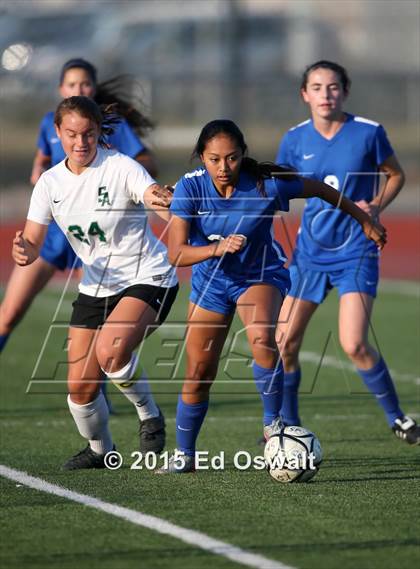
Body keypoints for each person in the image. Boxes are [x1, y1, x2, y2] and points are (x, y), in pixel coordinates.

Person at [156, 119, 386, 473]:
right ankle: (185, 455)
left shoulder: (266, 185)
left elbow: (321, 189)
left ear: (242, 155)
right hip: (211, 282)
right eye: (214, 159)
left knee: (263, 337)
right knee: (200, 370)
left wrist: (363, 220)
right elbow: (177, 253)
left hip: (260, 275)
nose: (223, 167)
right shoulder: (190, 189)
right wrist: (217, 250)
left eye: (231, 158)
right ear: (201, 157)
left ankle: (272, 424)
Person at [12, 96, 178, 469]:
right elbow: (33, 242)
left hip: (148, 276)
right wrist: (24, 251)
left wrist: (165, 199)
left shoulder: (121, 167)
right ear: (58, 133)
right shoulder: (50, 184)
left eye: (88, 133)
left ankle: (149, 415)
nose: (80, 142)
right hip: (97, 286)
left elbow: (153, 196)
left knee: (110, 351)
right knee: (80, 390)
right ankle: (101, 450)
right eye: (71, 134)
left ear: (100, 132)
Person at [275, 60, 419, 445]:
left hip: (356, 250)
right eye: (317, 87)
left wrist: (376, 206)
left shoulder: (369, 133)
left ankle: (398, 418)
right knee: (283, 342)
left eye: (334, 86)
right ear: (305, 94)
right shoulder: (293, 140)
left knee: (353, 344)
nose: (326, 94)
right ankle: (288, 426)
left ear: (345, 91)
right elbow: (280, 193)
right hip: (309, 254)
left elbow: (397, 175)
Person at [0, 58, 157, 360]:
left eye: (85, 83)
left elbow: (147, 165)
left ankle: (100, 395)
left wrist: (118, 169)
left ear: (94, 87)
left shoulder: (110, 126)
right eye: (72, 84)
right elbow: (42, 159)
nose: (79, 88)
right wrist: (38, 169)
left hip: (99, 236)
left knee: (99, 327)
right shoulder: (50, 122)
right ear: (61, 88)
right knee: (9, 312)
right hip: (57, 232)